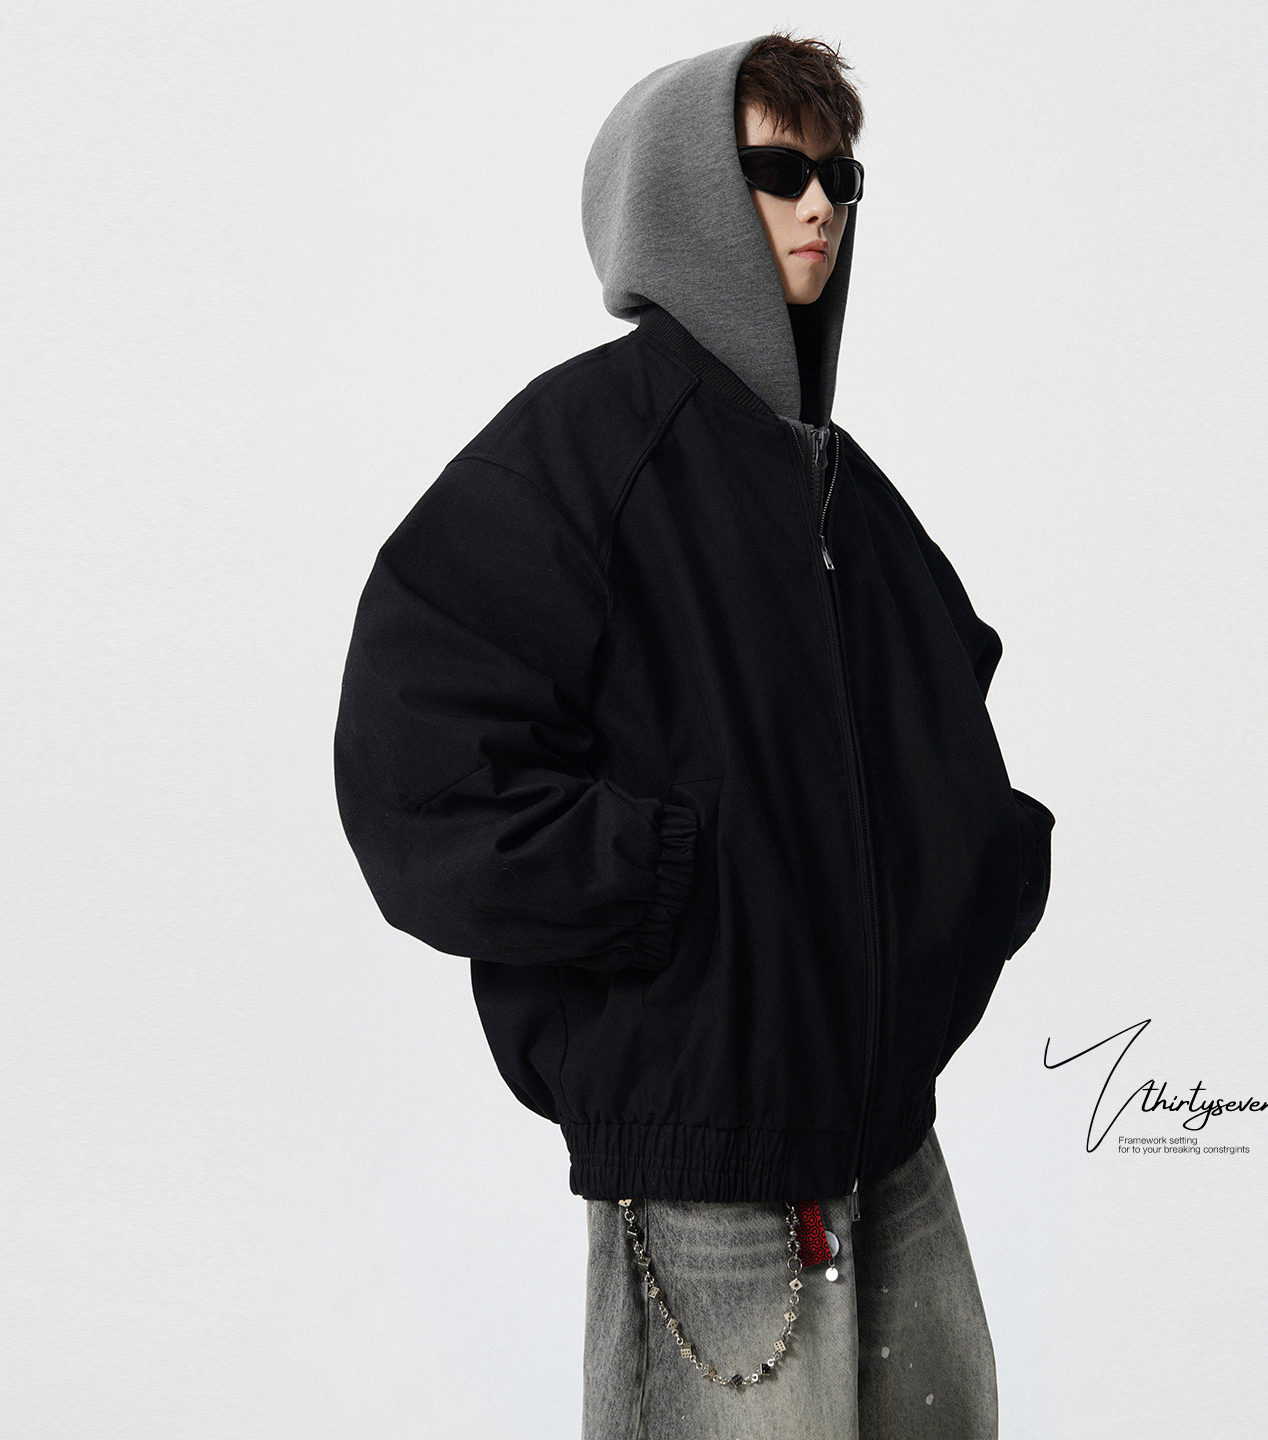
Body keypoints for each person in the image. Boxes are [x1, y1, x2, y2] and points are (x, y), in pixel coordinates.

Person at [334, 32, 1055, 1439]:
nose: (819, 204)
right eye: (778, 172)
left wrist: (983, 876)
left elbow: (944, 720)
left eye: (839, 176)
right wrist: (657, 884)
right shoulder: (581, 453)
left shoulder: (843, 487)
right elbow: (416, 768)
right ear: (686, 198)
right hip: (706, 1162)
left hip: (888, 1148)